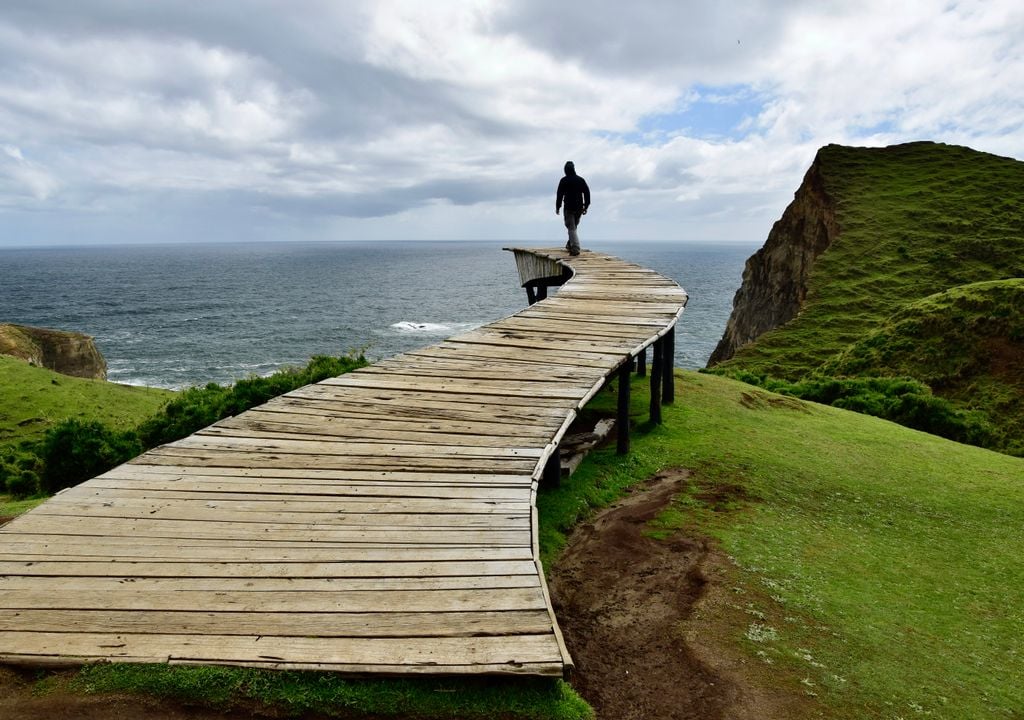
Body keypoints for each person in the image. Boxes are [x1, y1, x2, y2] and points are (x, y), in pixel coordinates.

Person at [555, 161, 590, 256]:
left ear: (565, 170)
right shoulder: (580, 180)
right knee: (573, 227)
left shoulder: (564, 180)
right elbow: (587, 193)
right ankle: (569, 244)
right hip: (579, 208)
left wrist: (558, 207)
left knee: (571, 227)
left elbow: (559, 195)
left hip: (569, 208)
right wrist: (586, 206)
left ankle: (575, 249)